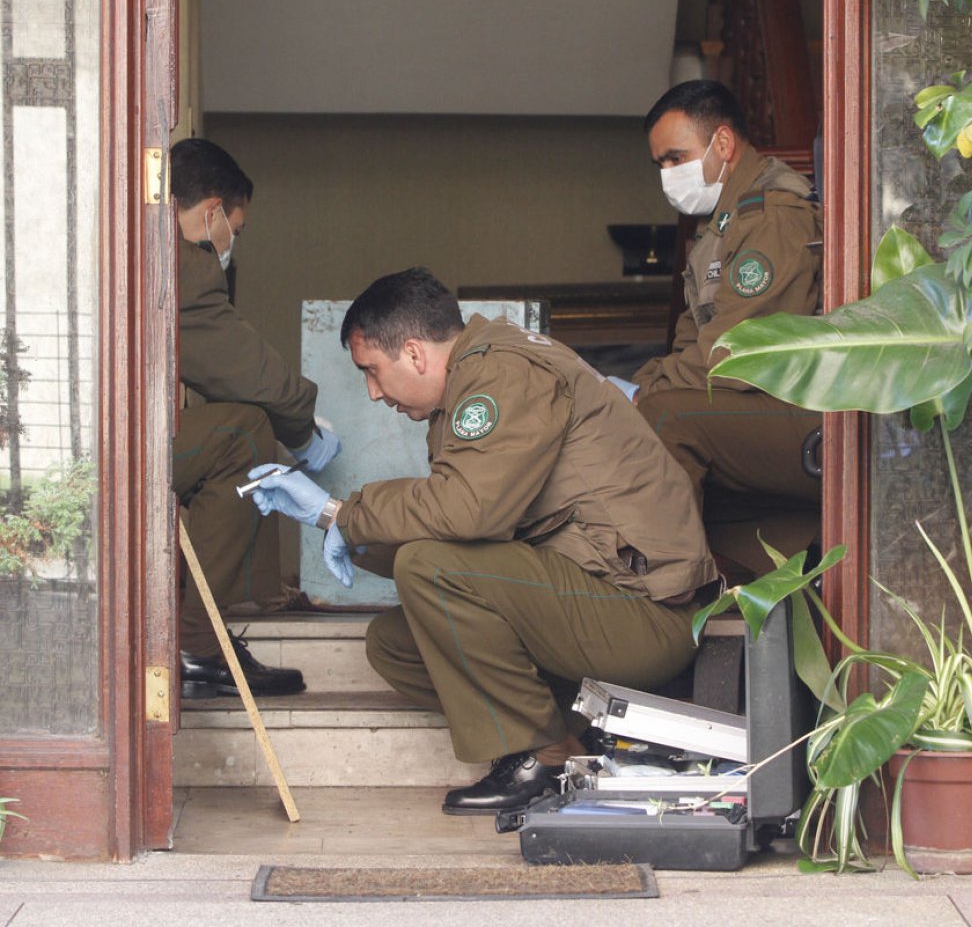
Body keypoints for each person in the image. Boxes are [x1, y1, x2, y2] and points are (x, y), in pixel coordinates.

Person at [246, 267, 719, 816]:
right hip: (591, 597)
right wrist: (342, 527)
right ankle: (577, 738)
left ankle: (544, 757)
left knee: (431, 566)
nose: (373, 393)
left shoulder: (503, 371)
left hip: (645, 614)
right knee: (397, 644)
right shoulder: (477, 376)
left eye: (372, 372)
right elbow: (471, 527)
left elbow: (469, 512)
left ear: (416, 354)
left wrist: (342, 513)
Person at [609, 80, 823, 578]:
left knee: (666, 418)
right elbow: (688, 342)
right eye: (660, 164)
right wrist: (633, 389)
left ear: (722, 144)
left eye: (675, 158)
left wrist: (644, 394)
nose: (668, 175)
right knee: (648, 421)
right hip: (764, 410)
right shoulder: (719, 228)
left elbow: (735, 358)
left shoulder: (771, 217)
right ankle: (743, 569)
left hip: (807, 412)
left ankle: (664, 587)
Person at [171, 138, 341, 698]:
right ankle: (199, 643)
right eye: (234, 232)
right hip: (94, 451)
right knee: (244, 431)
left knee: (231, 428)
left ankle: (204, 631)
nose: (229, 245)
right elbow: (243, 368)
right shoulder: (180, 262)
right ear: (213, 211)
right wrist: (305, 432)